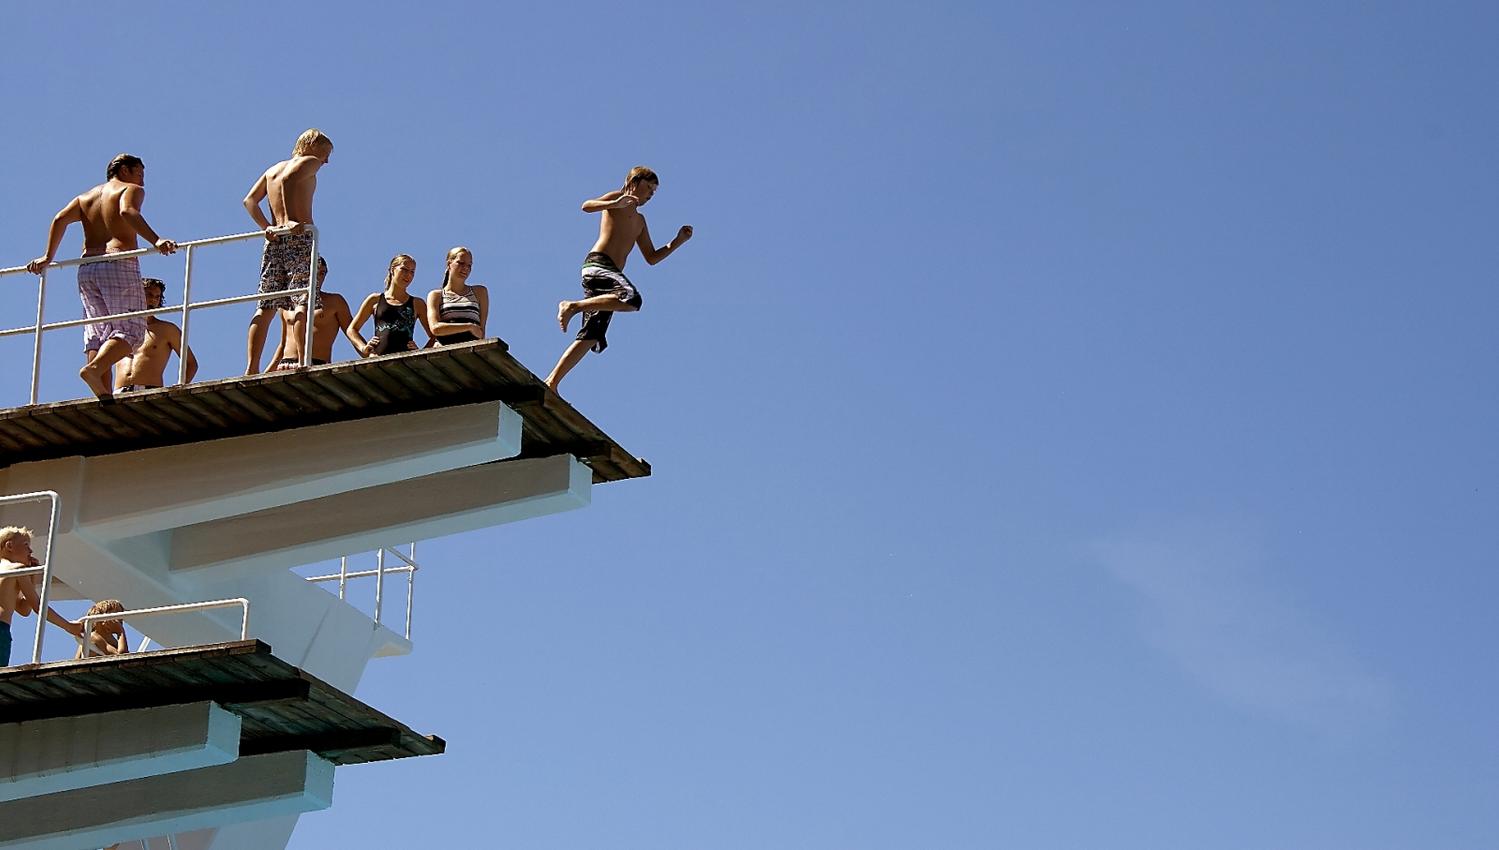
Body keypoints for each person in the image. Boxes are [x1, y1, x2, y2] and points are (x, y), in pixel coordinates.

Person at [25, 153, 178, 400]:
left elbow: (60, 219)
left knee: (98, 330)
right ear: (124, 171)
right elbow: (127, 211)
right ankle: (94, 370)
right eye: (140, 173)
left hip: (87, 266)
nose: (142, 180)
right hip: (117, 261)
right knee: (133, 329)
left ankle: (103, 392)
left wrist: (48, 256)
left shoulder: (86, 197)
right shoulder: (130, 189)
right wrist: (156, 240)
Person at [546, 166, 693, 391]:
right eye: (648, 187)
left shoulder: (640, 221)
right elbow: (586, 206)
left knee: (592, 335)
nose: (650, 194)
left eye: (654, 192)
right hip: (598, 265)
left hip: (610, 278)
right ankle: (572, 306)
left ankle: (552, 381)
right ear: (634, 182)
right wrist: (614, 204)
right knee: (632, 299)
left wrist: (678, 241)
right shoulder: (618, 198)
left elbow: (651, 257)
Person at [242, 128, 334, 374]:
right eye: (326, 153)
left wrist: (268, 227)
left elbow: (249, 201)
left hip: (274, 239)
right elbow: (289, 181)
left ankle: (252, 367)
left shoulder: (272, 169)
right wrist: (292, 220)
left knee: (266, 305)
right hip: (299, 236)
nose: (326, 161)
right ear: (313, 146)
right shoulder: (309, 161)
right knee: (302, 299)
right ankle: (303, 360)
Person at [0, 527, 83, 666]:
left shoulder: (6, 571)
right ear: (9, 546)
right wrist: (68, 626)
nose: (30, 551)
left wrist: (31, 576)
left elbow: (23, 609)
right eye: (26, 545)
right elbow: (37, 606)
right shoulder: (17, 569)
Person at [265, 257, 354, 370]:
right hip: (285, 365)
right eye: (314, 272)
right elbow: (283, 343)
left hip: (316, 364)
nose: (318, 277)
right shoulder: (286, 303)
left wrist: (368, 353)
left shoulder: (334, 301)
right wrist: (266, 373)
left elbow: (352, 332)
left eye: (322, 273)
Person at [115, 278, 198, 393]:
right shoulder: (120, 327)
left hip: (150, 391)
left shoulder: (167, 329)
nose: (153, 300)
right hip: (119, 393)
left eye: (157, 297)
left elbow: (191, 363)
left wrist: (180, 388)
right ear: (137, 296)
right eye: (149, 295)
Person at [348, 254, 433, 357]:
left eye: (412, 272)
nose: (408, 275)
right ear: (393, 269)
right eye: (404, 269)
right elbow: (352, 330)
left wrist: (421, 353)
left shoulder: (417, 303)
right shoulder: (374, 300)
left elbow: (434, 335)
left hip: (406, 361)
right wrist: (363, 348)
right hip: (378, 360)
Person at [425, 246, 489, 346]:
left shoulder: (480, 292)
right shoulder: (436, 295)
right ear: (449, 264)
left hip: (471, 350)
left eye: (469, 265)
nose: (465, 268)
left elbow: (481, 332)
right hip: (445, 350)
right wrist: (469, 327)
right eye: (461, 263)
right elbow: (435, 328)